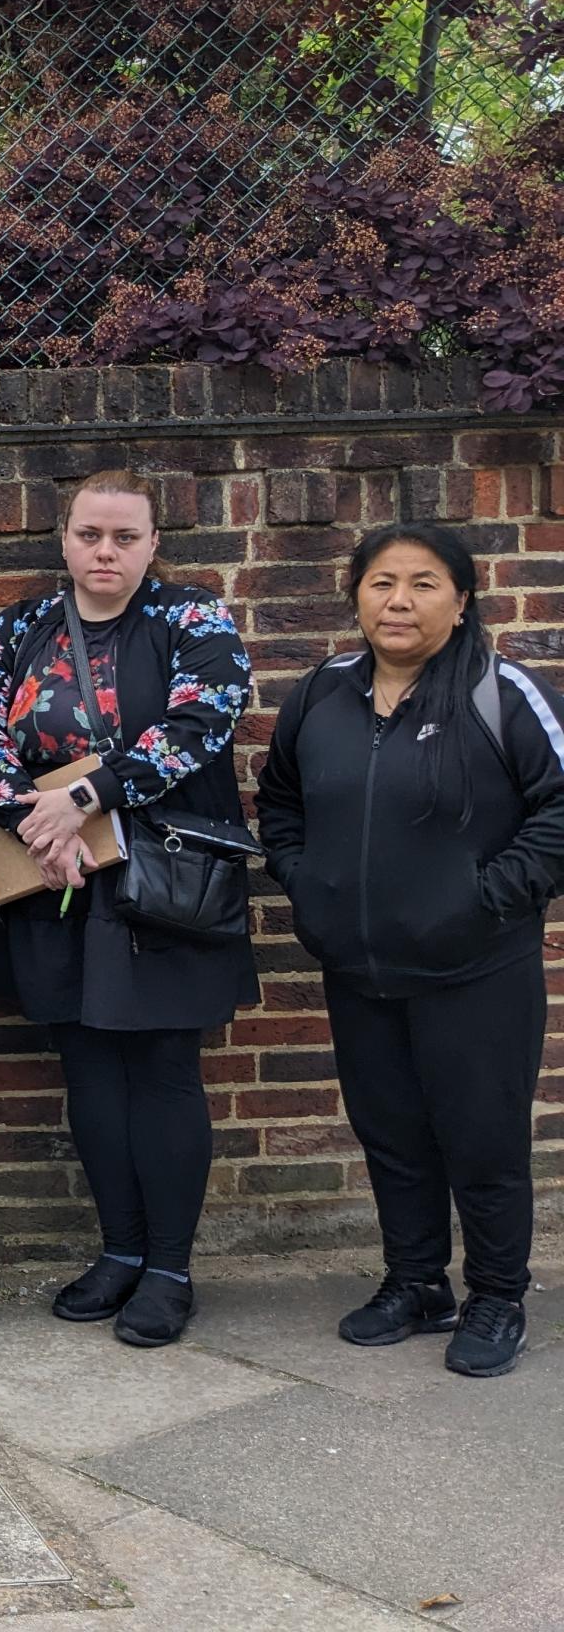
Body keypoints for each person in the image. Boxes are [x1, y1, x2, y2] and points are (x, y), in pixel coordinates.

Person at [257, 523, 564, 1379]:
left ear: (462, 601)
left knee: (481, 1138)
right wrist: (306, 883)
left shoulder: (501, 692)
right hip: (360, 970)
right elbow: (279, 802)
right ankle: (415, 1282)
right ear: (355, 594)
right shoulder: (322, 691)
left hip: (476, 970)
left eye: (425, 584)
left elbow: (560, 810)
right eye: (382, 582)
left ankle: (497, 1296)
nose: (400, 601)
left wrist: (484, 899)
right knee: (391, 1134)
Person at [0, 469, 255, 1348]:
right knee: (85, 1064)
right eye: (91, 534)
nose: (106, 552)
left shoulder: (193, 620)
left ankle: (170, 1266)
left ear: (153, 544)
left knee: (164, 1068)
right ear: (64, 540)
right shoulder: (15, 630)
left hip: (164, 882)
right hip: (58, 878)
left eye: (126, 537)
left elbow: (203, 722)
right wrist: (37, 825)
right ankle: (120, 1250)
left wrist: (85, 797)